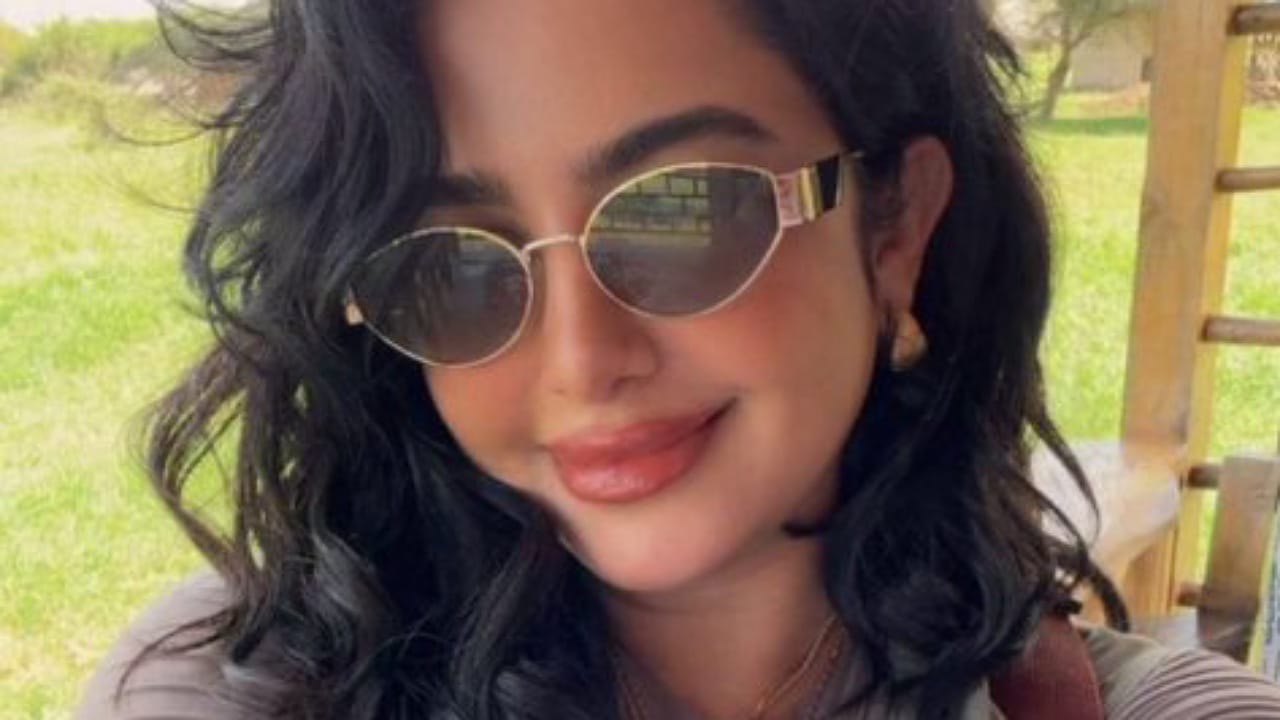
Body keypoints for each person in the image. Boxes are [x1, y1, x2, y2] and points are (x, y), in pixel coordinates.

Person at [78, 1, 1280, 718]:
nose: (579, 359)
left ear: (894, 230)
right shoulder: (235, 688)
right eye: (456, 261)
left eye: (680, 213)